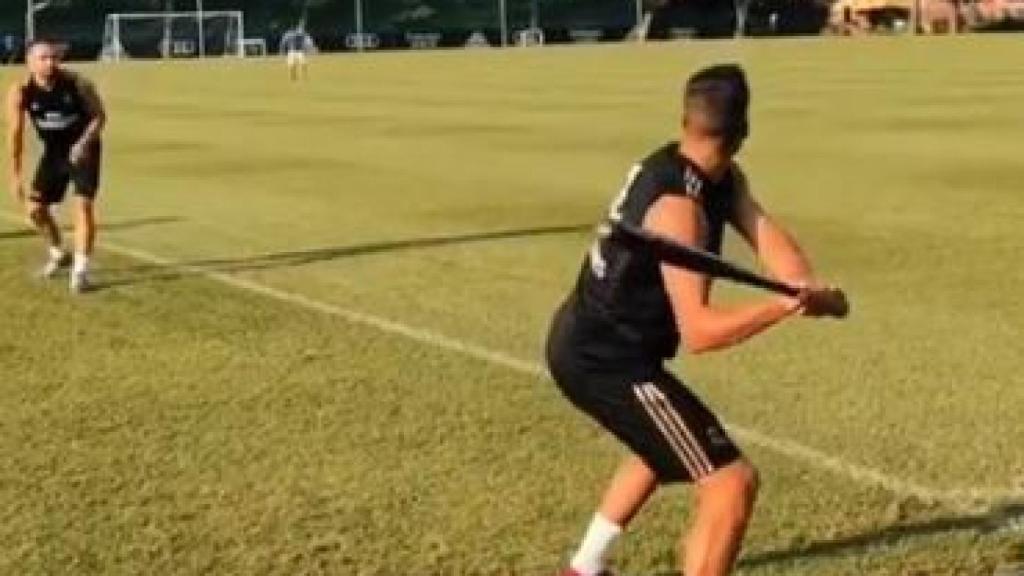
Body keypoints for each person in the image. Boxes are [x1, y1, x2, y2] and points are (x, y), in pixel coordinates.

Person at [546, 64, 847, 576]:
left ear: (686, 120)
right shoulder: (678, 209)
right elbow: (700, 332)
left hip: (601, 342)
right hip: (603, 361)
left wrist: (805, 286)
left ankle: (585, 567)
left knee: (662, 441)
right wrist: (781, 308)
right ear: (743, 131)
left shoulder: (716, 176)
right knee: (731, 482)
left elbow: (767, 237)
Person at [6, 39, 106, 293]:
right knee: (35, 210)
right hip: (54, 153)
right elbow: (15, 134)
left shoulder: (77, 83)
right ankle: (58, 253)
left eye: (53, 58)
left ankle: (80, 272)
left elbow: (99, 116)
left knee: (82, 205)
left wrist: (83, 143)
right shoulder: (21, 91)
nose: (50, 63)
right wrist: (15, 174)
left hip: (84, 151)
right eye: (43, 58)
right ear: (29, 62)